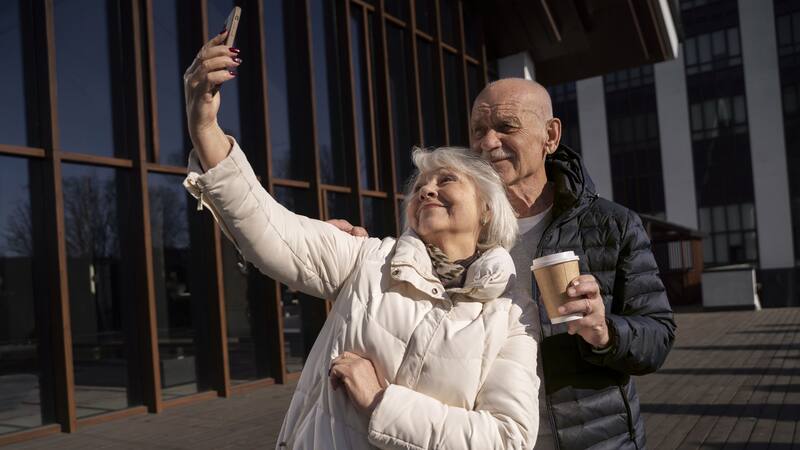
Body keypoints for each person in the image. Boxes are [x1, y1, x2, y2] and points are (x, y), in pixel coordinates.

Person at [183, 32, 541, 449]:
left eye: (445, 180)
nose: (427, 190)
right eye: (420, 185)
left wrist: (380, 402)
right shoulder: (369, 259)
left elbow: (508, 439)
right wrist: (205, 127)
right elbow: (268, 228)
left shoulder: (513, 315)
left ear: (485, 209)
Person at [335, 77, 676, 449]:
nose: (487, 142)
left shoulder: (612, 225)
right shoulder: (451, 224)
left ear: (550, 135)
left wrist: (604, 332)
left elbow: (657, 335)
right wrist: (356, 257)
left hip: (595, 440)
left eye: (506, 127)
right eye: (478, 130)